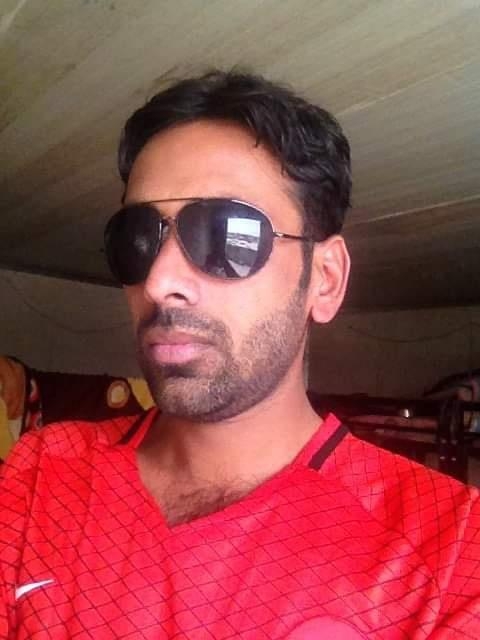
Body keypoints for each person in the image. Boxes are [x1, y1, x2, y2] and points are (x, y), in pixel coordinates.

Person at [0, 70, 478, 639]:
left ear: (324, 280)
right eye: (139, 237)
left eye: (227, 234)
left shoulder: (451, 553)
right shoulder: (42, 474)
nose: (160, 281)